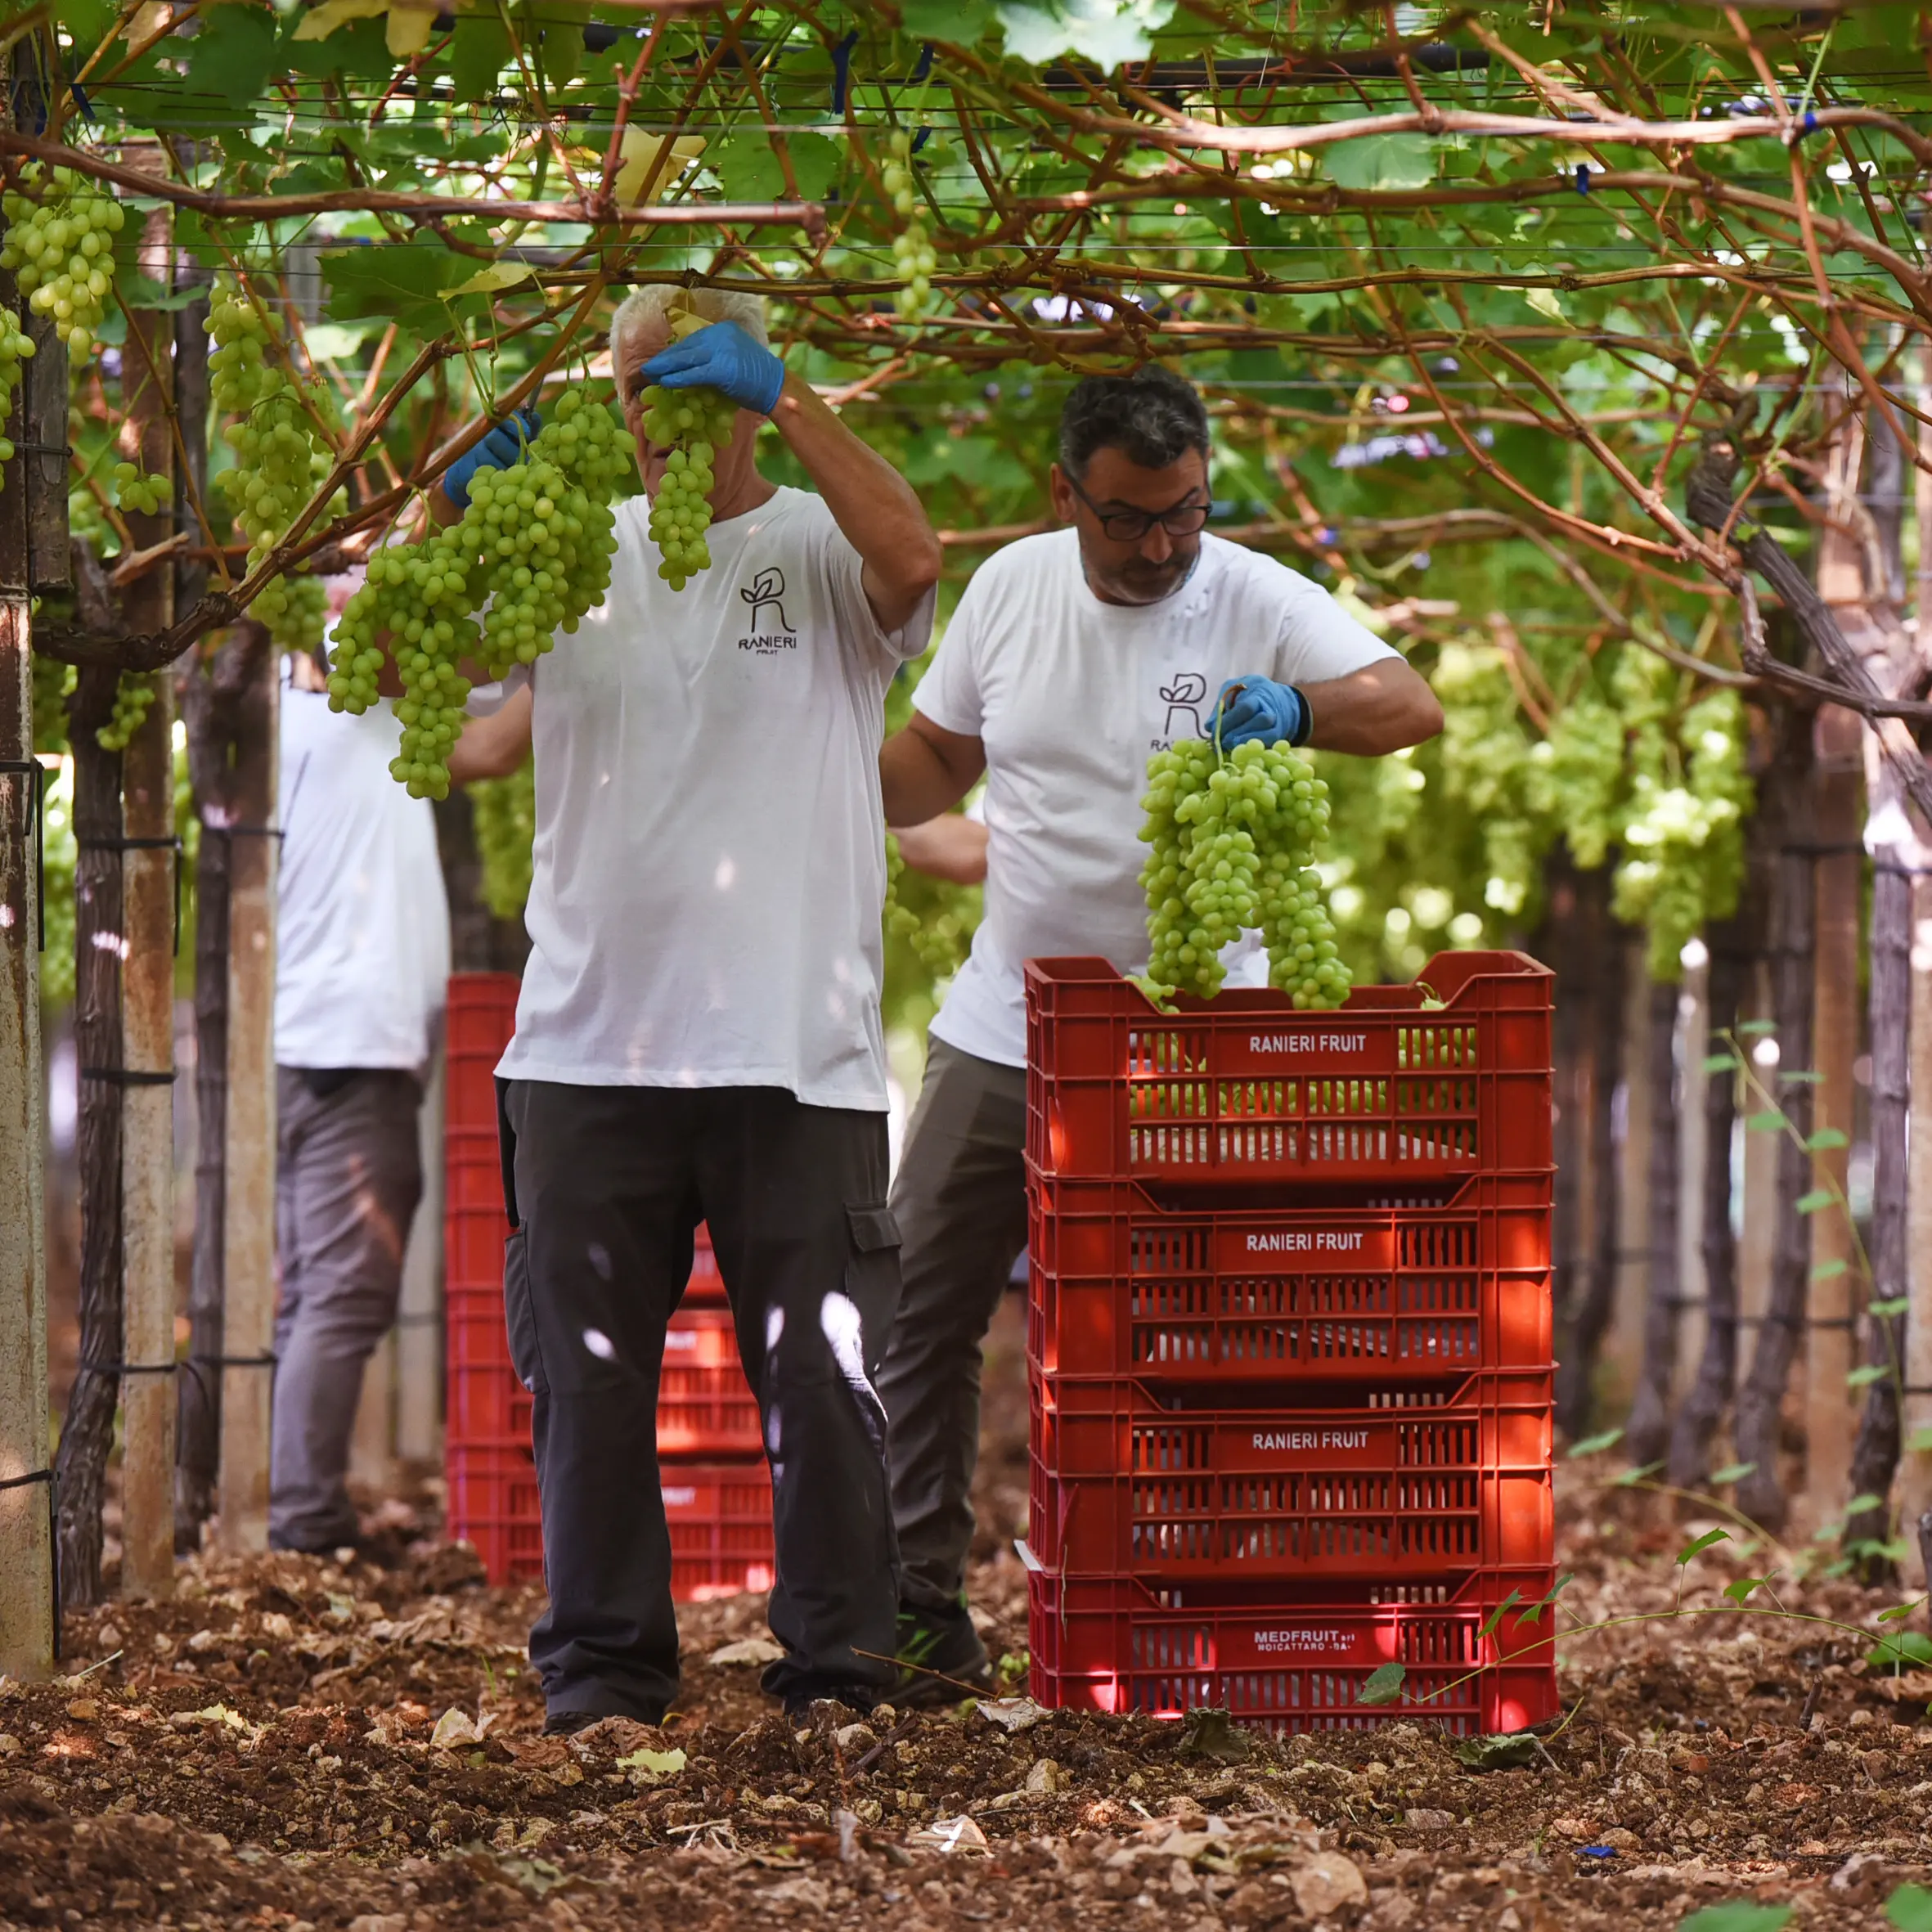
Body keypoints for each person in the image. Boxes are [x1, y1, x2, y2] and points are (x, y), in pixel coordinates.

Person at [875, 363, 1445, 1695]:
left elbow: (1409, 704)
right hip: (1008, 1021)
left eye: (1182, 511)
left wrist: (1299, 709)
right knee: (915, 1309)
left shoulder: (1248, 591)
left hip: (1197, 1039)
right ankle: (913, 1608)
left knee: (1203, 1330)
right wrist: (812, 756)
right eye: (1127, 517)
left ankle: (1191, 1601)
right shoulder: (1009, 589)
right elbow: (937, 762)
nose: (1158, 545)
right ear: (1063, 495)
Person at [447, 286, 941, 1729]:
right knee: (586, 1383)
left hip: (796, 1051)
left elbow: (914, 554)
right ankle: (603, 1675)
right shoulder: (566, 553)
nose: (655, 416)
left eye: (686, 383)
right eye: (634, 388)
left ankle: (841, 1675)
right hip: (586, 1044)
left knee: (825, 1380)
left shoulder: (817, 547)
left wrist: (786, 394)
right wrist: (444, 518)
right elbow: (418, 674)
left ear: (737, 393)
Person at [272, 599, 451, 1553]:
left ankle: (297, 1505)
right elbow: (491, 743)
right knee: (343, 1291)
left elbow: (484, 746)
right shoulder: (358, 704)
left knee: (313, 1289)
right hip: (354, 1044)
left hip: (307, 1040)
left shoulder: (281, 723)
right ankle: (303, 1519)